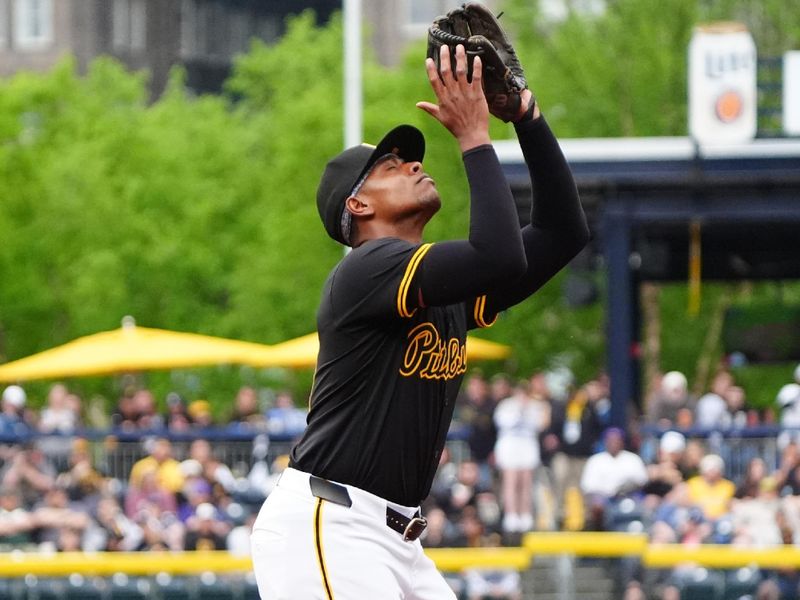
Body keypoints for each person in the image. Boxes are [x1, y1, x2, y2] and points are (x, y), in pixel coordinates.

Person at [250, 43, 588, 600]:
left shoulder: (436, 285)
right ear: (358, 207)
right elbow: (500, 255)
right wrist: (475, 137)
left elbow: (562, 233)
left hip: (397, 541)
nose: (413, 163)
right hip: (330, 527)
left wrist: (525, 114)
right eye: (390, 165)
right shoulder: (365, 271)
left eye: (410, 157)